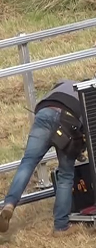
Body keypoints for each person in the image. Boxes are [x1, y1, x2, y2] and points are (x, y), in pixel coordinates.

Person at [0, 80, 88, 235]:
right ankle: (60, 226)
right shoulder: (88, 94)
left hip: (44, 113)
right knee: (65, 175)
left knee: (27, 163)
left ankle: (9, 204)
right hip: (68, 122)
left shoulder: (64, 84)